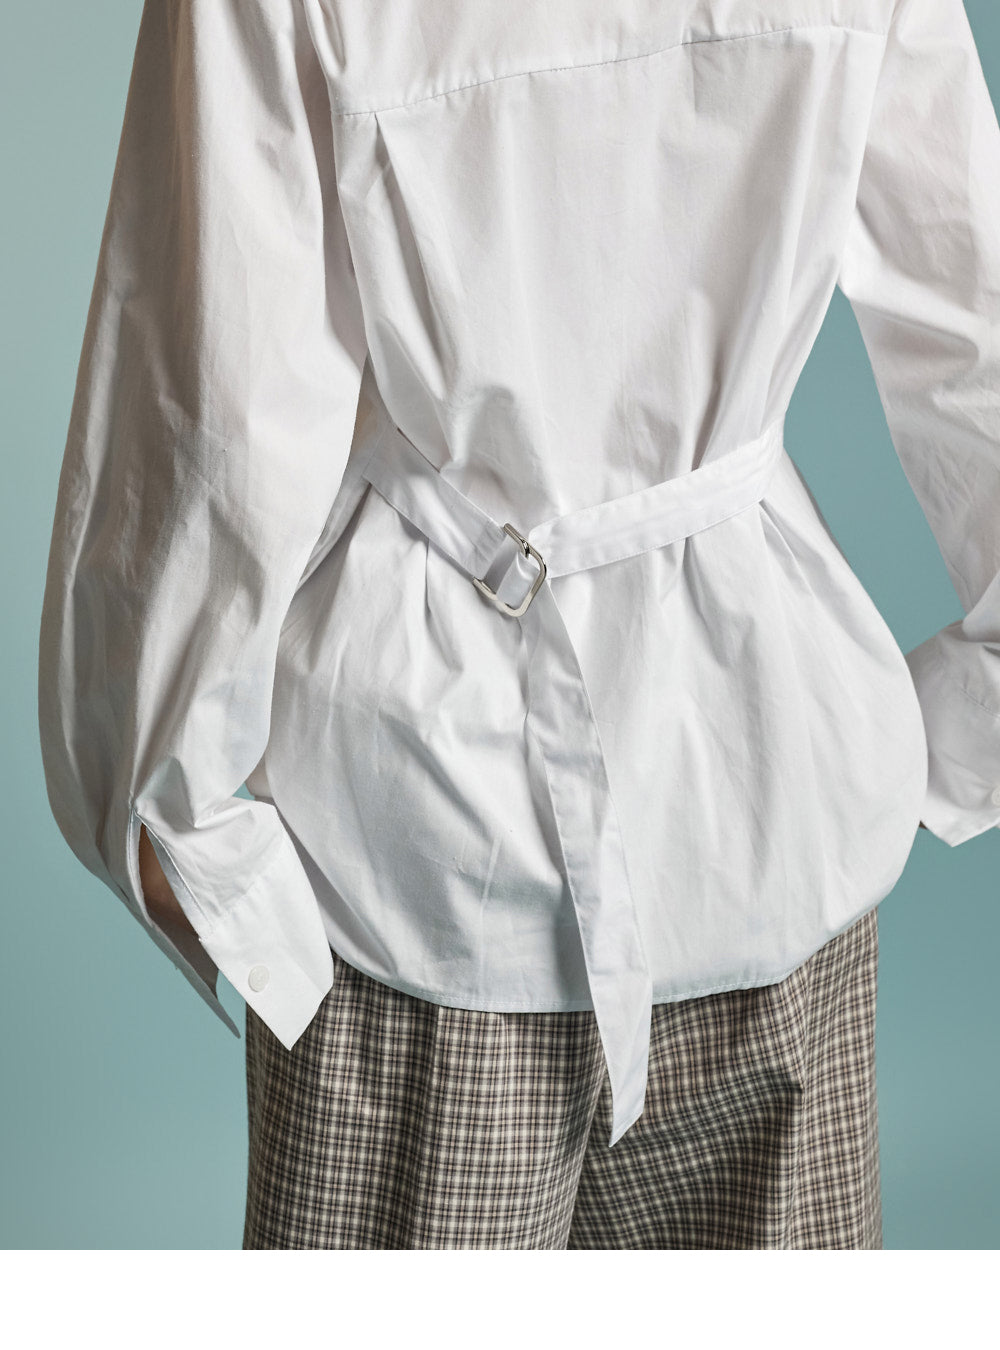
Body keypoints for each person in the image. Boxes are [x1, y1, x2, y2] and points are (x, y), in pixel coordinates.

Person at [38, 0, 1000, 1249]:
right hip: (767, 800)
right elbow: (972, 318)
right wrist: (930, 738)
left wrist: (170, 810)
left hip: (421, 841)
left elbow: (210, 418)